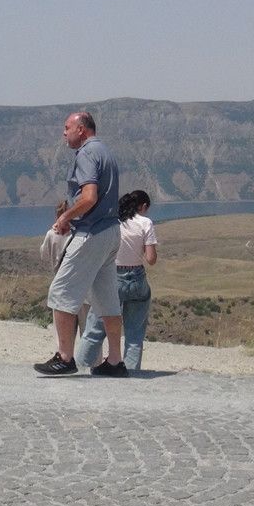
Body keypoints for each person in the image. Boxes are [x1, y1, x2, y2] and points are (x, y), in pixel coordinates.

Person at [33, 111, 126, 377]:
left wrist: (65, 216)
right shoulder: (105, 152)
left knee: (60, 292)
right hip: (111, 231)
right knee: (108, 300)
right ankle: (115, 362)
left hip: (92, 233)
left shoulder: (86, 154)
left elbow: (89, 197)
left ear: (81, 129)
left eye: (66, 128)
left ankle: (64, 358)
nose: (64, 133)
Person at [76, 190, 158, 371]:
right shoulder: (146, 223)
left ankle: (81, 367)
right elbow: (151, 259)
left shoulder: (111, 222)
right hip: (137, 278)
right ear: (143, 207)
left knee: (95, 329)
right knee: (134, 333)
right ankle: (130, 371)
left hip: (112, 275)